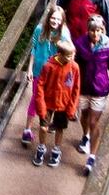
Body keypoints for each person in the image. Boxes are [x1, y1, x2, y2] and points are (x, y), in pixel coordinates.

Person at [75, 14, 109, 174]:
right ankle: (85, 135)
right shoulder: (80, 43)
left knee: (94, 121)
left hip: (100, 89)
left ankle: (92, 156)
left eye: (99, 30)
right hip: (83, 88)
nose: (96, 34)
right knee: (84, 116)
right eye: (93, 30)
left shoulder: (108, 46)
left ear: (103, 30)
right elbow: (71, 62)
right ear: (88, 30)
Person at [20, 6, 68, 146]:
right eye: (53, 18)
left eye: (58, 19)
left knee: (49, 100)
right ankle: (27, 130)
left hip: (54, 73)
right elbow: (34, 48)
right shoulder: (39, 30)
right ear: (49, 18)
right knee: (35, 98)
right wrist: (29, 69)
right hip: (38, 70)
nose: (55, 21)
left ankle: (44, 125)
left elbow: (67, 55)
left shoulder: (63, 35)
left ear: (62, 21)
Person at [31, 39, 80, 167]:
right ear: (60, 54)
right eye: (69, 55)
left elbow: (76, 89)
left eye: (73, 55)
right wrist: (40, 105)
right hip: (47, 102)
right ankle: (41, 147)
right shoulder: (48, 66)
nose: (72, 58)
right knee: (43, 127)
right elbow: (40, 86)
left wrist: (72, 108)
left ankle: (56, 149)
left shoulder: (74, 67)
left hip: (64, 103)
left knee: (59, 128)